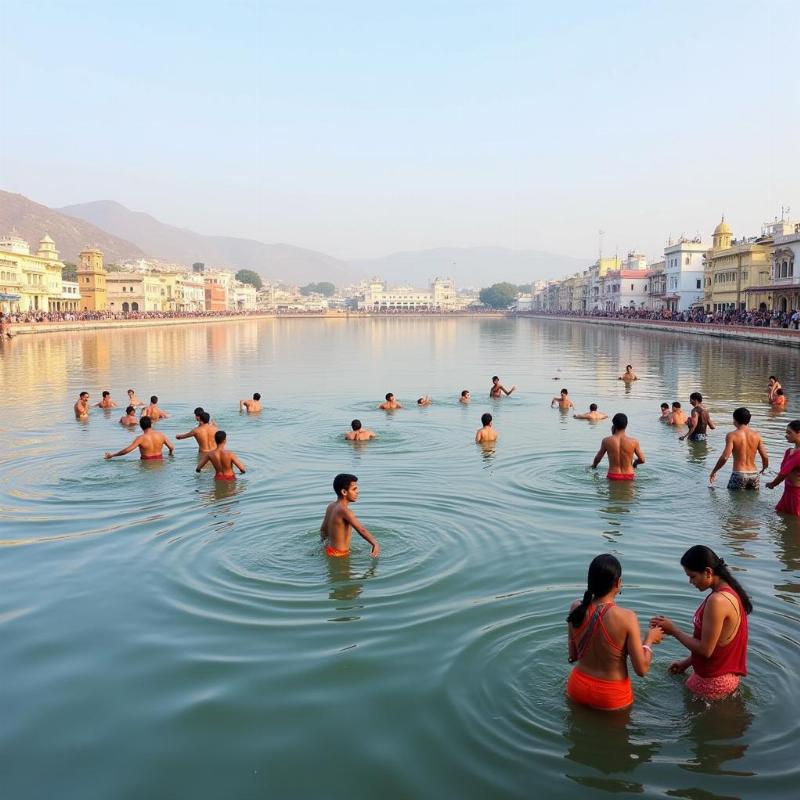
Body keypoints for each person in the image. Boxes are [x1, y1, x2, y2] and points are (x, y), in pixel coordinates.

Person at [651, 545, 751, 701]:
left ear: (708, 572)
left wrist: (674, 630)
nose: (690, 582)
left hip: (712, 684)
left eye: (692, 576)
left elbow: (706, 650)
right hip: (723, 680)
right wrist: (687, 663)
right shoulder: (728, 592)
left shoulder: (717, 601)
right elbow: (716, 643)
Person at [566, 554, 663, 711]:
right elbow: (641, 670)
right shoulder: (627, 617)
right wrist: (649, 640)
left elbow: (573, 655)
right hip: (611, 695)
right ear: (618, 583)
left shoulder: (576, 607)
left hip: (577, 687)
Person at [319, 473, 380, 558]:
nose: (357, 492)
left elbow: (323, 529)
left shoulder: (331, 506)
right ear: (344, 492)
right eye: (354, 489)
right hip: (340, 555)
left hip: (329, 549)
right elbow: (361, 530)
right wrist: (375, 543)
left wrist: (322, 543)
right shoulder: (345, 511)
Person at [709, 407, 769, 489]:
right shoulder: (757, 435)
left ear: (735, 420)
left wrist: (714, 471)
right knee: (752, 501)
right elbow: (765, 456)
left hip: (739, 474)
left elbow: (725, 457)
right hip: (754, 474)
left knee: (734, 501)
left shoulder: (732, 435)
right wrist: (764, 468)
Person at [591, 413, 644, 480]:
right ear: (626, 425)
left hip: (613, 475)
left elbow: (598, 459)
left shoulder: (606, 441)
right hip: (629, 475)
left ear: (613, 425)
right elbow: (642, 459)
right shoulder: (634, 441)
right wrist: (635, 463)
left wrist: (594, 466)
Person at [766, 420, 800, 516]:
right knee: (782, 514)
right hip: (787, 491)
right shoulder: (789, 451)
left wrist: (773, 484)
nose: (786, 435)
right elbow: (783, 471)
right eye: (786, 432)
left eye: (789, 433)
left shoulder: (798, 454)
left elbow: (783, 473)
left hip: (797, 494)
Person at [105, 416, 174, 461]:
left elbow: (127, 451)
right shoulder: (161, 435)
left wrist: (112, 455)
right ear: (151, 424)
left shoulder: (140, 439)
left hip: (147, 464)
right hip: (160, 463)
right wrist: (170, 453)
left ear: (141, 426)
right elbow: (171, 447)